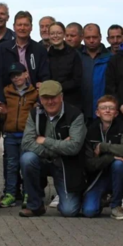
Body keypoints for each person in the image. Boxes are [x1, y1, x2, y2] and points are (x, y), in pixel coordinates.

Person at [19, 81, 86, 217]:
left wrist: (44, 140)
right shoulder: (34, 114)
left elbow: (74, 147)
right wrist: (59, 146)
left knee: (69, 211)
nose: (50, 102)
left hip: (66, 165)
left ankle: (74, 197)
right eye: (45, 98)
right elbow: (26, 143)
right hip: (43, 161)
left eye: (53, 97)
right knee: (27, 159)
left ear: (61, 97)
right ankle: (35, 205)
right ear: (40, 98)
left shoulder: (75, 114)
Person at [0, 62, 39, 208]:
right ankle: (10, 194)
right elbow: (0, 108)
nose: (16, 78)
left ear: (26, 74)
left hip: (28, 135)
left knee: (26, 165)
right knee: (11, 165)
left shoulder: (35, 93)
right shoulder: (6, 91)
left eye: (19, 74)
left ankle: (28, 194)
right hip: (10, 134)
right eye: (13, 76)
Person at [83, 96, 123, 220]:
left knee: (119, 164)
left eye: (111, 108)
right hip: (97, 177)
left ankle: (116, 206)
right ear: (97, 112)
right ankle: (101, 199)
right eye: (103, 108)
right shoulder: (89, 130)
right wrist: (112, 157)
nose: (107, 111)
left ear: (116, 113)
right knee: (89, 212)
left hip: (116, 176)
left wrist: (103, 147)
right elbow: (89, 163)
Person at [0, 10, 50, 103]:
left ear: (31, 27)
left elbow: (45, 76)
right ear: (14, 27)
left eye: (26, 25)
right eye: (19, 25)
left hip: (33, 99)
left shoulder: (39, 49)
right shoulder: (4, 48)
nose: (22, 28)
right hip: (10, 98)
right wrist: (0, 100)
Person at [47, 21, 83, 109]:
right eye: (52, 33)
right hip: (50, 100)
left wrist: (56, 87)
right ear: (49, 35)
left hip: (70, 101)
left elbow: (77, 80)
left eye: (59, 33)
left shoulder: (74, 54)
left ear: (64, 35)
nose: (55, 36)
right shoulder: (45, 54)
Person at [80, 23, 111, 122]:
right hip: (81, 110)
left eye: (94, 37)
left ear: (100, 37)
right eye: (88, 37)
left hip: (105, 110)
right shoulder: (77, 57)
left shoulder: (110, 58)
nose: (91, 40)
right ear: (83, 38)